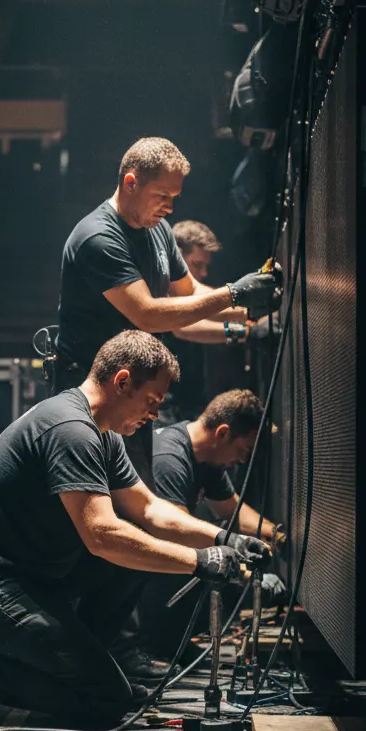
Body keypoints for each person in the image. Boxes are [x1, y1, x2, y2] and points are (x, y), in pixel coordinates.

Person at [0, 332, 269, 729]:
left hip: (28, 578)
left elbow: (148, 510)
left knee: (137, 551)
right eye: (152, 400)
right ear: (122, 382)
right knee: (104, 700)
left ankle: (86, 658)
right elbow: (102, 535)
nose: (156, 414)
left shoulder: (103, 434)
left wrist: (224, 540)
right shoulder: (71, 429)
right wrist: (200, 562)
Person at [54, 137, 280, 487]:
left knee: (138, 501)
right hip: (93, 403)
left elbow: (190, 293)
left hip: (134, 399)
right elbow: (148, 313)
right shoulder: (98, 237)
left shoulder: (158, 230)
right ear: (131, 183)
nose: (170, 208)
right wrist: (234, 294)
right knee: (97, 507)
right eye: (163, 196)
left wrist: (249, 307)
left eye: (175, 198)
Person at [137, 389, 287, 657]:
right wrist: (243, 574)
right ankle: (156, 646)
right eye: (244, 450)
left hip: (157, 568)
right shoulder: (170, 460)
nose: (243, 460)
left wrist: (276, 535)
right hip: (141, 574)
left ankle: (171, 642)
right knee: (218, 572)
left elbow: (232, 510)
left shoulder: (209, 460)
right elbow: (176, 534)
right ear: (223, 433)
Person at [162, 219, 277, 422]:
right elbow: (183, 328)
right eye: (197, 264)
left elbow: (207, 305)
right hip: (166, 404)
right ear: (177, 256)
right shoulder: (162, 285)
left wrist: (248, 312)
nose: (204, 273)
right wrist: (246, 332)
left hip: (186, 398)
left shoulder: (185, 290)